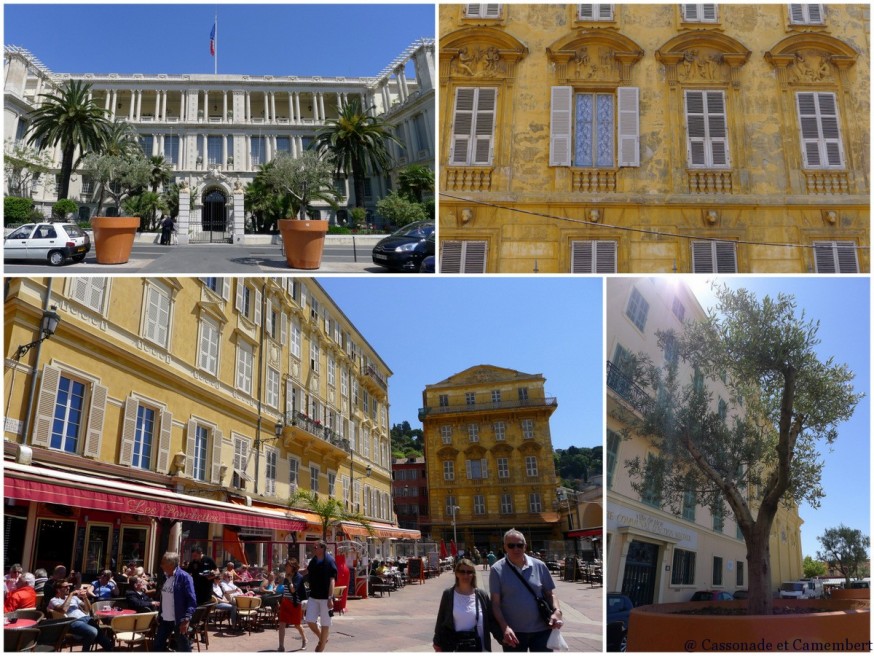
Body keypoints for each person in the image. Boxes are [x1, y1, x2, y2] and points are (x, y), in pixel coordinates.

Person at [489, 529, 563, 652]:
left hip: (542, 629)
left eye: (519, 545)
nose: (516, 549)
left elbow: (550, 594)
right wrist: (504, 627)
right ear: (505, 547)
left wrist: (557, 611)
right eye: (511, 545)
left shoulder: (539, 565)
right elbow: (495, 604)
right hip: (513, 632)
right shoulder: (497, 569)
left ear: (525, 546)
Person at [433, 559, 501, 652]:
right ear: (456, 573)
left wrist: (503, 637)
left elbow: (491, 621)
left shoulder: (482, 595)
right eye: (462, 572)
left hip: (479, 647)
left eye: (469, 572)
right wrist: (437, 640)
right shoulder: (448, 594)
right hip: (455, 647)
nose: (466, 575)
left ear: (473, 574)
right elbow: (441, 619)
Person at [47, 579, 114, 651]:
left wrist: (85, 597)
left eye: (69, 586)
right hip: (72, 621)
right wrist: (70, 595)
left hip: (86, 618)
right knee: (93, 632)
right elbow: (63, 610)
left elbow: (88, 609)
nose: (68, 588)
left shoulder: (74, 598)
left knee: (100, 634)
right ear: (58, 590)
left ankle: (110, 649)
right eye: (66, 587)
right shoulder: (54, 600)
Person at [154, 551, 197, 652]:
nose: (161, 565)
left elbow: (192, 600)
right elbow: (164, 598)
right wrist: (160, 613)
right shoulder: (165, 577)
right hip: (165, 619)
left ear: (171, 564)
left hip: (179, 620)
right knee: (158, 645)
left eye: (163, 563)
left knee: (183, 647)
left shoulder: (185, 577)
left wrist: (186, 619)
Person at [305, 540, 337, 652]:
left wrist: (330, 598)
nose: (313, 549)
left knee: (325, 623)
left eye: (315, 547)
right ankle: (322, 638)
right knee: (309, 620)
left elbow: (332, 581)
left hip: (325, 598)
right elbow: (306, 571)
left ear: (322, 548)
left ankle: (321, 647)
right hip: (314, 596)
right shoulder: (313, 560)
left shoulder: (329, 561)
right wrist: (294, 572)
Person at [277, 558, 308, 652]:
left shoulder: (298, 577)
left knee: (297, 625)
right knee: (282, 623)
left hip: (295, 604)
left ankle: (304, 639)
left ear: (293, 567)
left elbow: (293, 590)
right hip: (285, 602)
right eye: (285, 566)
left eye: (288, 566)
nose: (286, 567)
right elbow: (285, 590)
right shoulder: (287, 576)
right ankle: (281, 646)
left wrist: (290, 580)